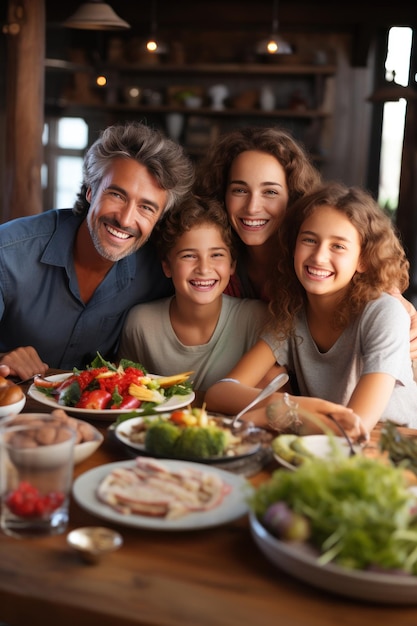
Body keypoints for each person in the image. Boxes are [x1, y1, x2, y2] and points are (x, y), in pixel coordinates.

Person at [205, 182, 417, 434]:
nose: (318, 257)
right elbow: (219, 393)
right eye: (309, 240)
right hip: (323, 441)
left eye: (338, 246)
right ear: (294, 247)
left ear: (362, 259)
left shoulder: (384, 313)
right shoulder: (292, 313)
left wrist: (266, 415)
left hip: (391, 449)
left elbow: (355, 426)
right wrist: (286, 404)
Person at [194, 125, 417, 358]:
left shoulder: (313, 262)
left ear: (294, 197)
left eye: (270, 192)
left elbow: (375, 287)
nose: (252, 207)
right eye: (240, 190)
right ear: (222, 195)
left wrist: (399, 303)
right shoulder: (212, 260)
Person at [0, 121, 194, 380]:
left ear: (159, 218)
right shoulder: (9, 252)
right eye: (117, 195)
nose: (125, 220)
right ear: (91, 190)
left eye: (146, 208)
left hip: (101, 415)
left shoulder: (160, 271)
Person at [118, 195, 269, 393]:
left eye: (216, 255)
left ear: (232, 265)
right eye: (189, 255)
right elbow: (126, 394)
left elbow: (274, 398)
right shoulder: (141, 323)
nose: (204, 269)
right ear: (167, 266)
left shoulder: (256, 318)